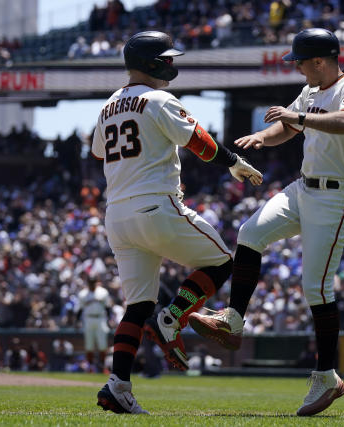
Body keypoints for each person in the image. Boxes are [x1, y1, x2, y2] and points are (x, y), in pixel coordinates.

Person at [189, 27, 344, 417]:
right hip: (303, 188)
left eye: (302, 62)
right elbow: (287, 127)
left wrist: (298, 117)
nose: (299, 68)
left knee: (316, 287)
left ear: (320, 61)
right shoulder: (310, 91)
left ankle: (327, 376)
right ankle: (233, 319)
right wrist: (264, 135)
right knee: (249, 233)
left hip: (336, 196)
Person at [92, 31, 262, 415]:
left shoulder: (107, 106)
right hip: (156, 206)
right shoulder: (159, 98)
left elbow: (97, 149)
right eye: (165, 58)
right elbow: (199, 141)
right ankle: (171, 318)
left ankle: (118, 386)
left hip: (117, 215)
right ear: (152, 62)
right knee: (222, 262)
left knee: (136, 307)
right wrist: (233, 162)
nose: (171, 64)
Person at [77, 277, 112, 372]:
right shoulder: (82, 294)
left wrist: (109, 320)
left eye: (93, 282)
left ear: (96, 282)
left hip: (100, 318)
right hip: (88, 319)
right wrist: (77, 321)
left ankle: (102, 366)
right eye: (90, 282)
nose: (92, 284)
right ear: (87, 282)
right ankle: (90, 367)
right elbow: (79, 310)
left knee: (102, 345)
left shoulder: (103, 292)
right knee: (89, 345)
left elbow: (108, 307)